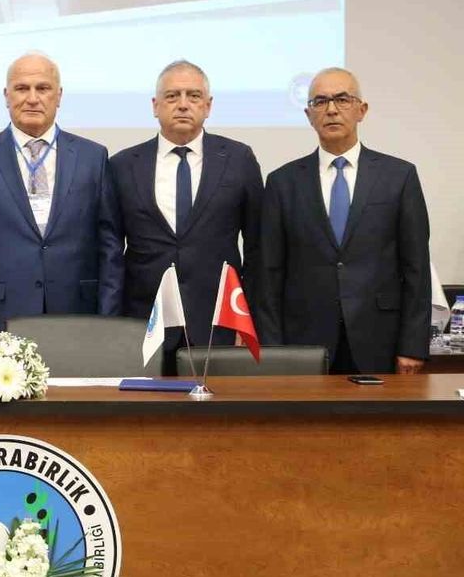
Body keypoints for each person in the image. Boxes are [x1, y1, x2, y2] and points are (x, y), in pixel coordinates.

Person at [259, 67, 431, 374]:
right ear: (308, 115)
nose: (331, 109)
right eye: (320, 101)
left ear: (361, 110)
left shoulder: (399, 177)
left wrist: (412, 345)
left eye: (342, 99)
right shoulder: (282, 183)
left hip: (380, 337)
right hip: (303, 341)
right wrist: (272, 349)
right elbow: (269, 273)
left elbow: (416, 267)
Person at [0, 53, 122, 337]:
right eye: (21, 88)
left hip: (78, 318)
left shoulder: (93, 158)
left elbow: (110, 250)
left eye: (42, 88)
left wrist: (107, 327)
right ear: (6, 96)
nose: (32, 98)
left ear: (59, 95)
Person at [108, 60, 263, 372]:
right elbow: (110, 249)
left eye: (193, 96)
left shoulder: (238, 159)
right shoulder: (123, 165)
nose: (182, 104)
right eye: (172, 96)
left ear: (208, 106)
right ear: (155, 106)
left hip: (218, 322)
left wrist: (250, 318)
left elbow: (259, 247)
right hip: (143, 324)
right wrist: (112, 322)